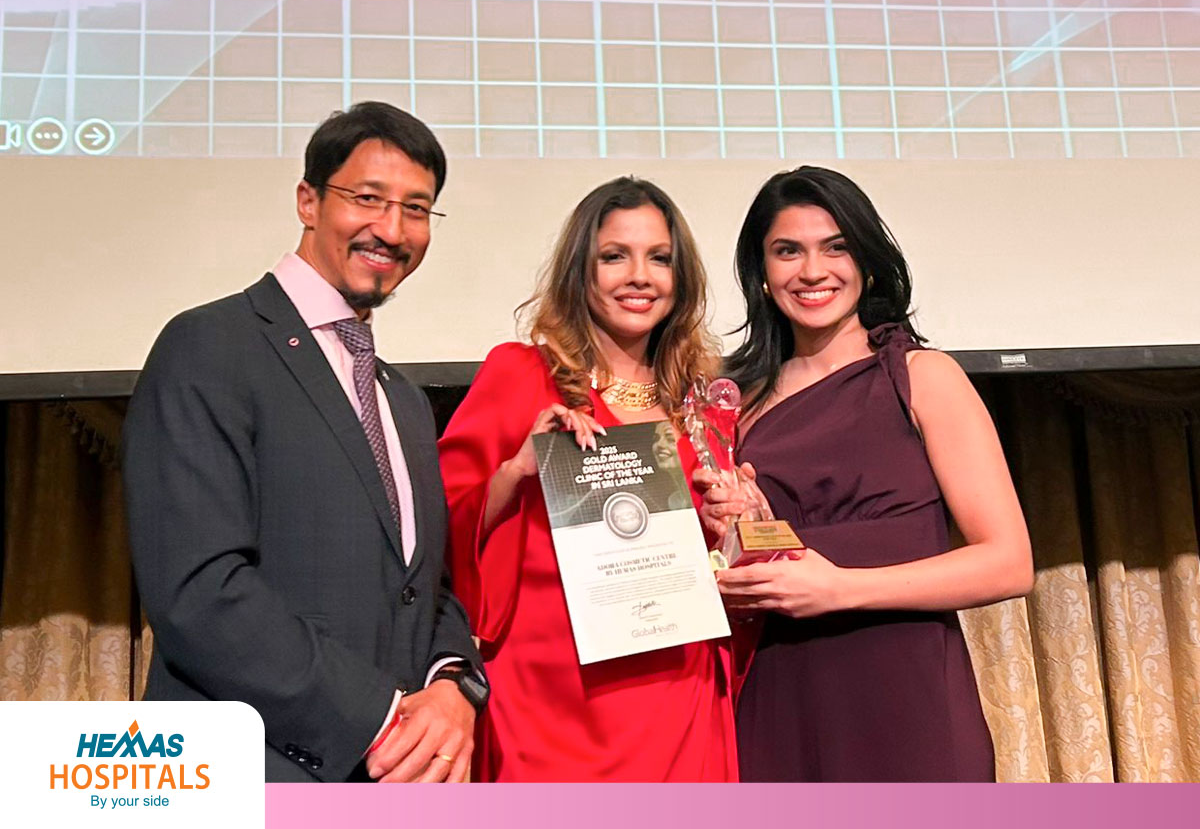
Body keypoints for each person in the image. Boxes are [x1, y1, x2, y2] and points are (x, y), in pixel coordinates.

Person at [122, 102, 488, 783]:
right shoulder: (210, 346)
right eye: (368, 198)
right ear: (308, 201)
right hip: (249, 777)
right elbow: (200, 592)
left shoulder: (404, 400)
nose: (392, 230)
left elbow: (425, 587)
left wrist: (453, 685)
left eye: (416, 209)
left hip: (398, 781)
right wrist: (380, 717)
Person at [699, 166, 1032, 782]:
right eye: (788, 251)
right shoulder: (732, 405)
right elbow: (739, 574)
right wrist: (736, 538)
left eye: (836, 247)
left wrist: (841, 589)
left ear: (868, 262)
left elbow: (1009, 563)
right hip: (778, 694)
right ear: (761, 273)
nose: (812, 271)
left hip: (908, 698)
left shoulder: (922, 377)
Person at [438, 177, 738, 781]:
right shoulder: (520, 375)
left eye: (660, 258)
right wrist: (515, 472)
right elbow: (436, 525)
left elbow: (717, 564)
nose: (640, 277)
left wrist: (726, 526)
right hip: (547, 703)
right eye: (614, 257)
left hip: (677, 693)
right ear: (581, 271)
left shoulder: (703, 404)